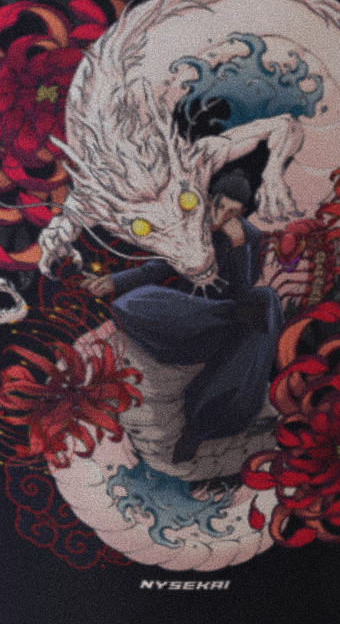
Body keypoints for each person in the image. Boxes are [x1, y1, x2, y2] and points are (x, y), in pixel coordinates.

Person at [93, 149, 283, 466]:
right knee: (132, 302)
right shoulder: (190, 226)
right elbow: (156, 270)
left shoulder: (247, 239)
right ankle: (227, 317)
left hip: (224, 328)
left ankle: (201, 426)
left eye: (231, 213)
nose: (220, 216)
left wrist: (237, 248)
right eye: (218, 205)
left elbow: (241, 292)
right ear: (210, 198)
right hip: (185, 322)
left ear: (242, 214)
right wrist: (115, 281)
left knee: (266, 300)